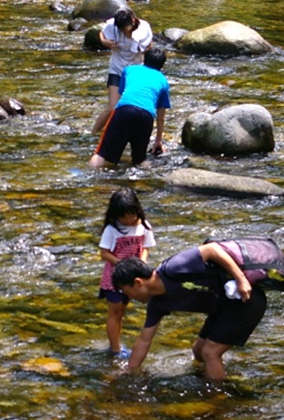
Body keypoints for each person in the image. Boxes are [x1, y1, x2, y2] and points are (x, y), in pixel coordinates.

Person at [112, 242, 268, 382]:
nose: (129, 298)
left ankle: (218, 399)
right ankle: (213, 375)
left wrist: (241, 279)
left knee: (210, 352)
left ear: (138, 283)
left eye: (127, 292)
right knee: (198, 351)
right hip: (223, 308)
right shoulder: (157, 304)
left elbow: (212, 249)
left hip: (245, 300)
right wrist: (131, 371)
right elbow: (144, 339)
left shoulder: (174, 267)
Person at [89, 47, 170, 169]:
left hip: (124, 110)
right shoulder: (163, 81)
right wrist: (158, 140)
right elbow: (161, 116)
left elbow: (122, 94)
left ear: (144, 58)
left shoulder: (129, 70)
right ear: (162, 65)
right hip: (146, 116)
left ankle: (87, 176)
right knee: (140, 160)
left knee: (101, 154)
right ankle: (146, 180)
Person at [98, 188, 155, 358]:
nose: (129, 220)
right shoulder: (112, 229)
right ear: (115, 215)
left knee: (122, 312)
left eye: (131, 215)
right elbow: (104, 253)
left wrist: (141, 263)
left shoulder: (144, 226)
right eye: (124, 217)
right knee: (115, 313)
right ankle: (115, 350)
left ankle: (116, 343)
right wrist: (120, 263)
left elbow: (145, 247)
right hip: (114, 278)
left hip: (132, 278)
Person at [92, 8, 152, 133]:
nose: (123, 31)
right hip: (116, 68)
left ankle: (127, 133)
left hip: (135, 71)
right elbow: (102, 33)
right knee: (112, 107)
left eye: (126, 28)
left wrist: (143, 50)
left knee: (134, 107)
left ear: (133, 20)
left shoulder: (143, 28)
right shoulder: (113, 25)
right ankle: (94, 133)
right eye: (121, 29)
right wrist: (104, 42)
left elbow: (149, 45)